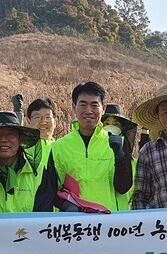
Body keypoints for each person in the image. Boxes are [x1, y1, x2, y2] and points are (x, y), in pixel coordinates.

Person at [47, 82, 133, 212]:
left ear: (103, 109)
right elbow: (50, 191)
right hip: (73, 225)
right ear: (73, 107)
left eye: (94, 105)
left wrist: (120, 157)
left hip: (109, 224)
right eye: (83, 104)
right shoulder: (58, 147)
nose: (89, 111)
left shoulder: (119, 143)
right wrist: (66, 206)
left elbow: (123, 188)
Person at [101, 103, 139, 211]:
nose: (111, 127)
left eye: (116, 124)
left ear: (122, 128)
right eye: (107, 123)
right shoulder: (94, 157)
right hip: (100, 218)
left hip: (125, 220)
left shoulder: (133, 163)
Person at [25, 97, 58, 173]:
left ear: (55, 122)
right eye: (37, 117)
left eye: (48, 117)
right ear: (28, 121)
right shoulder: (22, 151)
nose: (43, 122)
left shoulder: (62, 149)